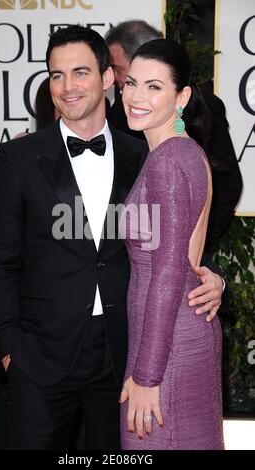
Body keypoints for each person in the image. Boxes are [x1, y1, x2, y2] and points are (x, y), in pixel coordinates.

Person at [0, 25, 223, 450]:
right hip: (41, 354)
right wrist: (9, 349)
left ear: (107, 78)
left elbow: (175, 241)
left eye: (80, 72)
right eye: (57, 75)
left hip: (122, 351)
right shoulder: (19, 157)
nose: (68, 86)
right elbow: (0, 258)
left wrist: (209, 277)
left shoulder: (143, 153)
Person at [119, 38, 224, 450]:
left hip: (165, 348)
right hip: (179, 334)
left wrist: (147, 377)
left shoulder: (167, 162)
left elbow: (167, 270)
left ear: (181, 97)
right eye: (131, 83)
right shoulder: (187, 153)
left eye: (153, 86)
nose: (136, 96)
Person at [105, 20, 243, 257]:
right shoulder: (118, 113)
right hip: (132, 256)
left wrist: (194, 244)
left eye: (118, 68)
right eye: (130, 82)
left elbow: (227, 182)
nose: (115, 79)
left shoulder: (207, 108)